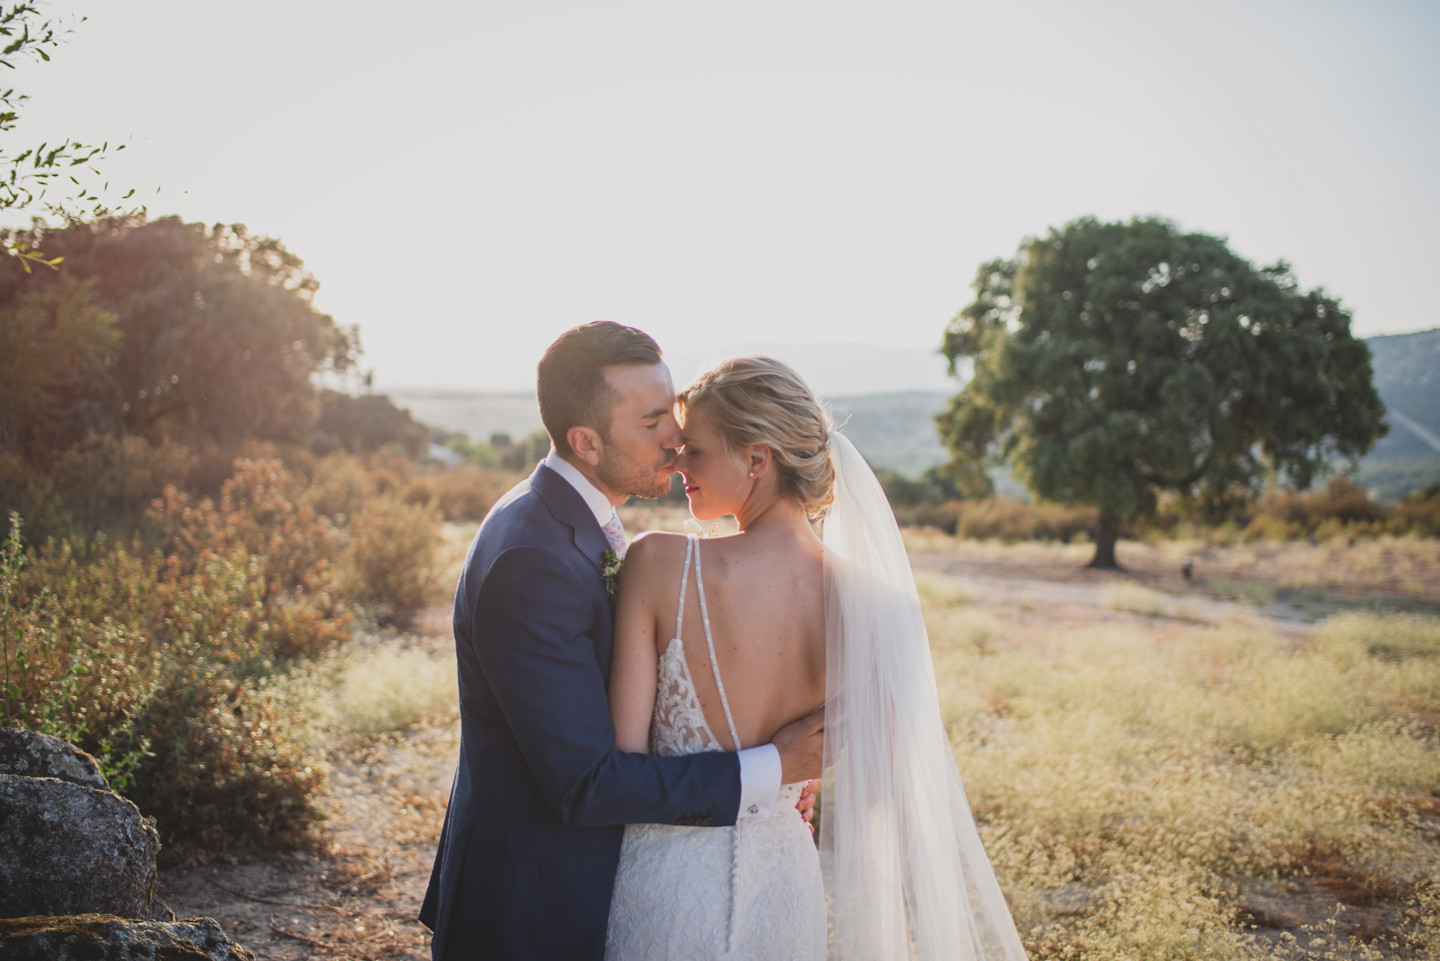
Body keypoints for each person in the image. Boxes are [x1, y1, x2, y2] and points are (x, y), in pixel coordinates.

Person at [418, 325, 824, 961]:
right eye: (654, 421)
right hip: (532, 909)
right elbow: (585, 783)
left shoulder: (576, 524)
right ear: (586, 441)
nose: (676, 438)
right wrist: (777, 766)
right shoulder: (532, 554)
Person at [603, 357, 1030, 961]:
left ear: (757, 458)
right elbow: (877, 794)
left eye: (693, 450)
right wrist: (788, 779)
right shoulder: (879, 606)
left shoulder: (658, 566)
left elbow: (621, 777)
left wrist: (771, 772)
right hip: (785, 893)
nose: (676, 465)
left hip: (667, 893)